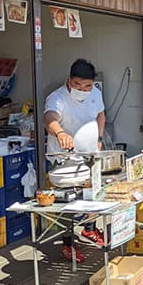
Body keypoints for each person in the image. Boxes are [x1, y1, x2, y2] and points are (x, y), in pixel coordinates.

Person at [44, 59, 106, 263]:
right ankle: (67, 243)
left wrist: (98, 138)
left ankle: (90, 229)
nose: (83, 89)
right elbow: (50, 117)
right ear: (69, 80)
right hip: (64, 158)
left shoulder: (95, 93)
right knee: (68, 203)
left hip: (89, 154)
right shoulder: (57, 97)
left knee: (93, 193)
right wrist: (60, 132)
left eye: (87, 85)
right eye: (78, 85)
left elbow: (101, 115)